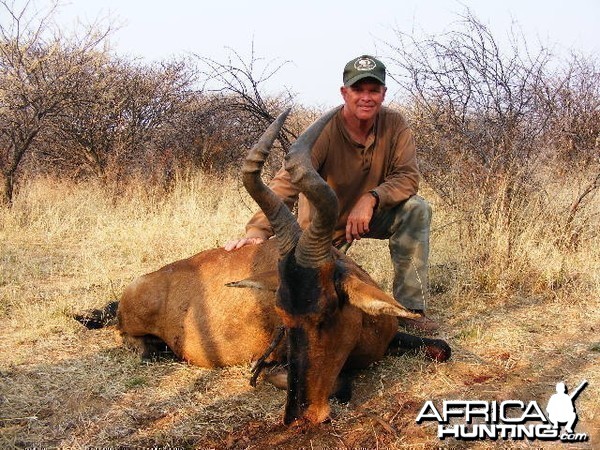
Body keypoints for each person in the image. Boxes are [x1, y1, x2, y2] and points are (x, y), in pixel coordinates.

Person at [225, 54, 438, 332]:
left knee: (416, 209)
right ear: (344, 92)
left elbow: (408, 176)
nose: (366, 97)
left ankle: (411, 311)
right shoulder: (324, 129)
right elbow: (288, 181)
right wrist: (258, 231)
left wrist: (371, 198)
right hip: (321, 232)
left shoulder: (395, 125)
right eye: (358, 90)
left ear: (383, 93)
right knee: (317, 305)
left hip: (369, 216)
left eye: (373, 90)